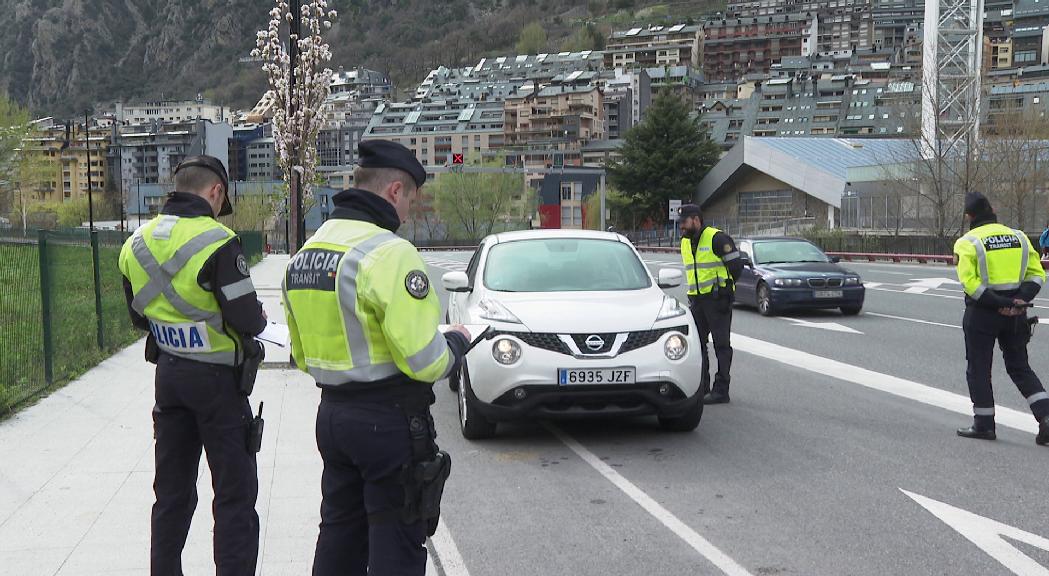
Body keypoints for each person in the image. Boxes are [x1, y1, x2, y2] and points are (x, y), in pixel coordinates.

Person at [281, 140, 471, 575]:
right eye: (410, 202)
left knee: (338, 539)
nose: (407, 214)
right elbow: (425, 360)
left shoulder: (305, 255)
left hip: (332, 418)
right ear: (394, 192)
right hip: (388, 423)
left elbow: (303, 357)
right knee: (396, 547)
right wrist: (457, 343)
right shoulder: (389, 253)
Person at [118, 155, 268, 574]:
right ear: (215, 191)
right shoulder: (219, 241)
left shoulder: (135, 243)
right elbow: (247, 319)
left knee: (171, 495)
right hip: (219, 386)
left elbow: (137, 317)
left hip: (168, 378)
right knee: (234, 497)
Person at [953, 193, 1049, 446]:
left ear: (969, 216)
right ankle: (1047, 419)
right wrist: (1018, 300)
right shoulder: (1018, 237)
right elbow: (1037, 274)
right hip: (1017, 313)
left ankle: (984, 425)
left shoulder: (967, 242)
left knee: (979, 369)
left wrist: (1000, 303)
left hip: (983, 314)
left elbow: (970, 285)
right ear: (992, 209)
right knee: (1020, 367)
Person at [677, 204, 744, 405]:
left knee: (721, 345)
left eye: (684, 223)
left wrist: (725, 290)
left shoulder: (717, 238)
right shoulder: (685, 242)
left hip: (717, 300)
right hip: (697, 300)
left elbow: (736, 268)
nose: (681, 227)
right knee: (698, 346)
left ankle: (721, 390)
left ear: (696, 220)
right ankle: (703, 387)